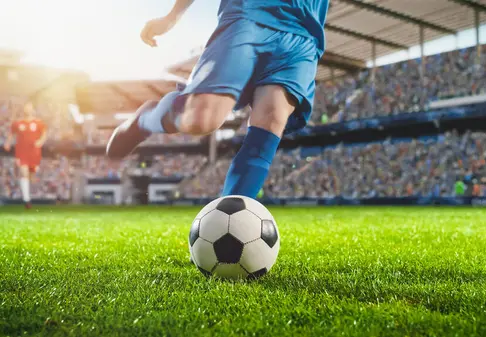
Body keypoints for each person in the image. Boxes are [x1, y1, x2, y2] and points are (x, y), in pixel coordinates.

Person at [106, 0, 329, 199]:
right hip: (250, 14)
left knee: (272, 118)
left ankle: (232, 217)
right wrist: (172, 16)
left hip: (305, 31)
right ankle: (146, 119)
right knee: (201, 120)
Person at [3, 102, 47, 209]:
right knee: (24, 173)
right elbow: (11, 134)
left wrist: (40, 142)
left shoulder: (39, 123)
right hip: (21, 152)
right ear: (23, 110)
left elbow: (44, 134)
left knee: (32, 176)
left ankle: (29, 192)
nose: (27, 110)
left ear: (32, 110)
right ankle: (27, 201)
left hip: (34, 152)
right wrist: (8, 143)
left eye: (29, 108)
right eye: (26, 108)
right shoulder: (17, 123)